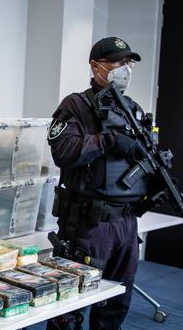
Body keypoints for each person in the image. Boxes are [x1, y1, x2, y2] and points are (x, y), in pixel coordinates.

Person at [46, 37, 158, 330]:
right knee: (70, 308)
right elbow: (64, 152)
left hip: (126, 225)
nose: (126, 69)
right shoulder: (76, 105)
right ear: (96, 66)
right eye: (118, 63)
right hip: (90, 224)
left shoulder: (132, 109)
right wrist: (107, 140)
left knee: (116, 304)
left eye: (128, 63)